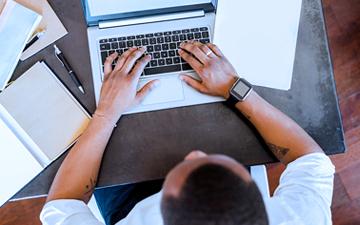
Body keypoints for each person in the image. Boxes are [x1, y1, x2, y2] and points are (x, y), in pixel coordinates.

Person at [40, 42, 335, 225]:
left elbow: (60, 206)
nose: (195, 153)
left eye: (189, 165)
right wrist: (234, 87)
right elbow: (311, 161)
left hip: (126, 203)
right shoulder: (300, 219)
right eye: (217, 165)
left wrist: (107, 112)